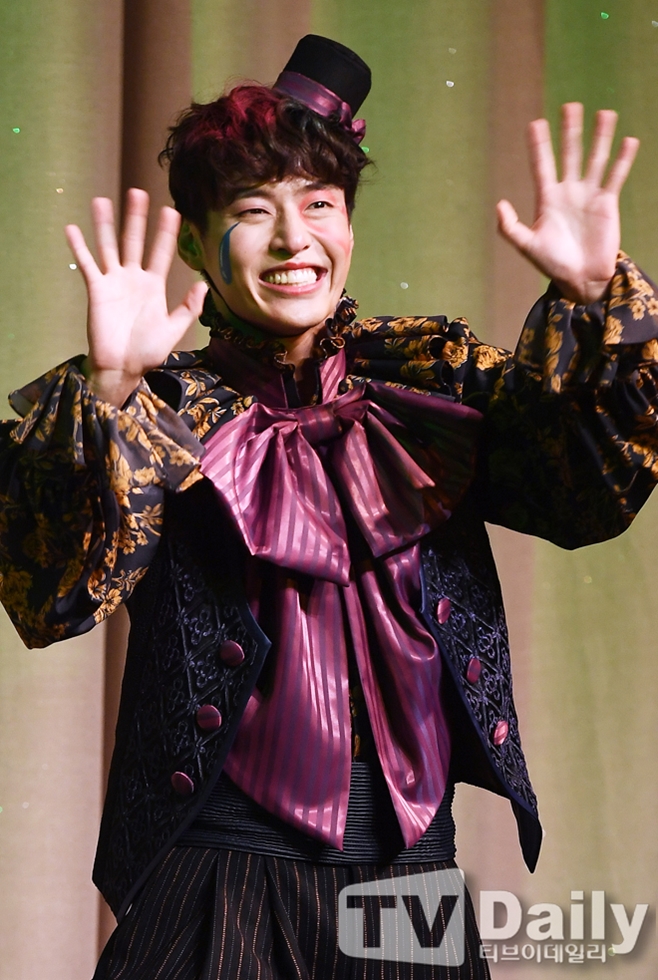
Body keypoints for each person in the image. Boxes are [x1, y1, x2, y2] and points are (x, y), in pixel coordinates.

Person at [1, 33, 657, 980]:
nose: (294, 239)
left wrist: (593, 298)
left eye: (319, 204)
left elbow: (584, 492)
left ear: (348, 223)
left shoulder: (429, 378)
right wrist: (109, 391)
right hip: (216, 875)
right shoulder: (161, 407)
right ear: (194, 242)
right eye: (252, 210)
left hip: (410, 881)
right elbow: (55, 591)